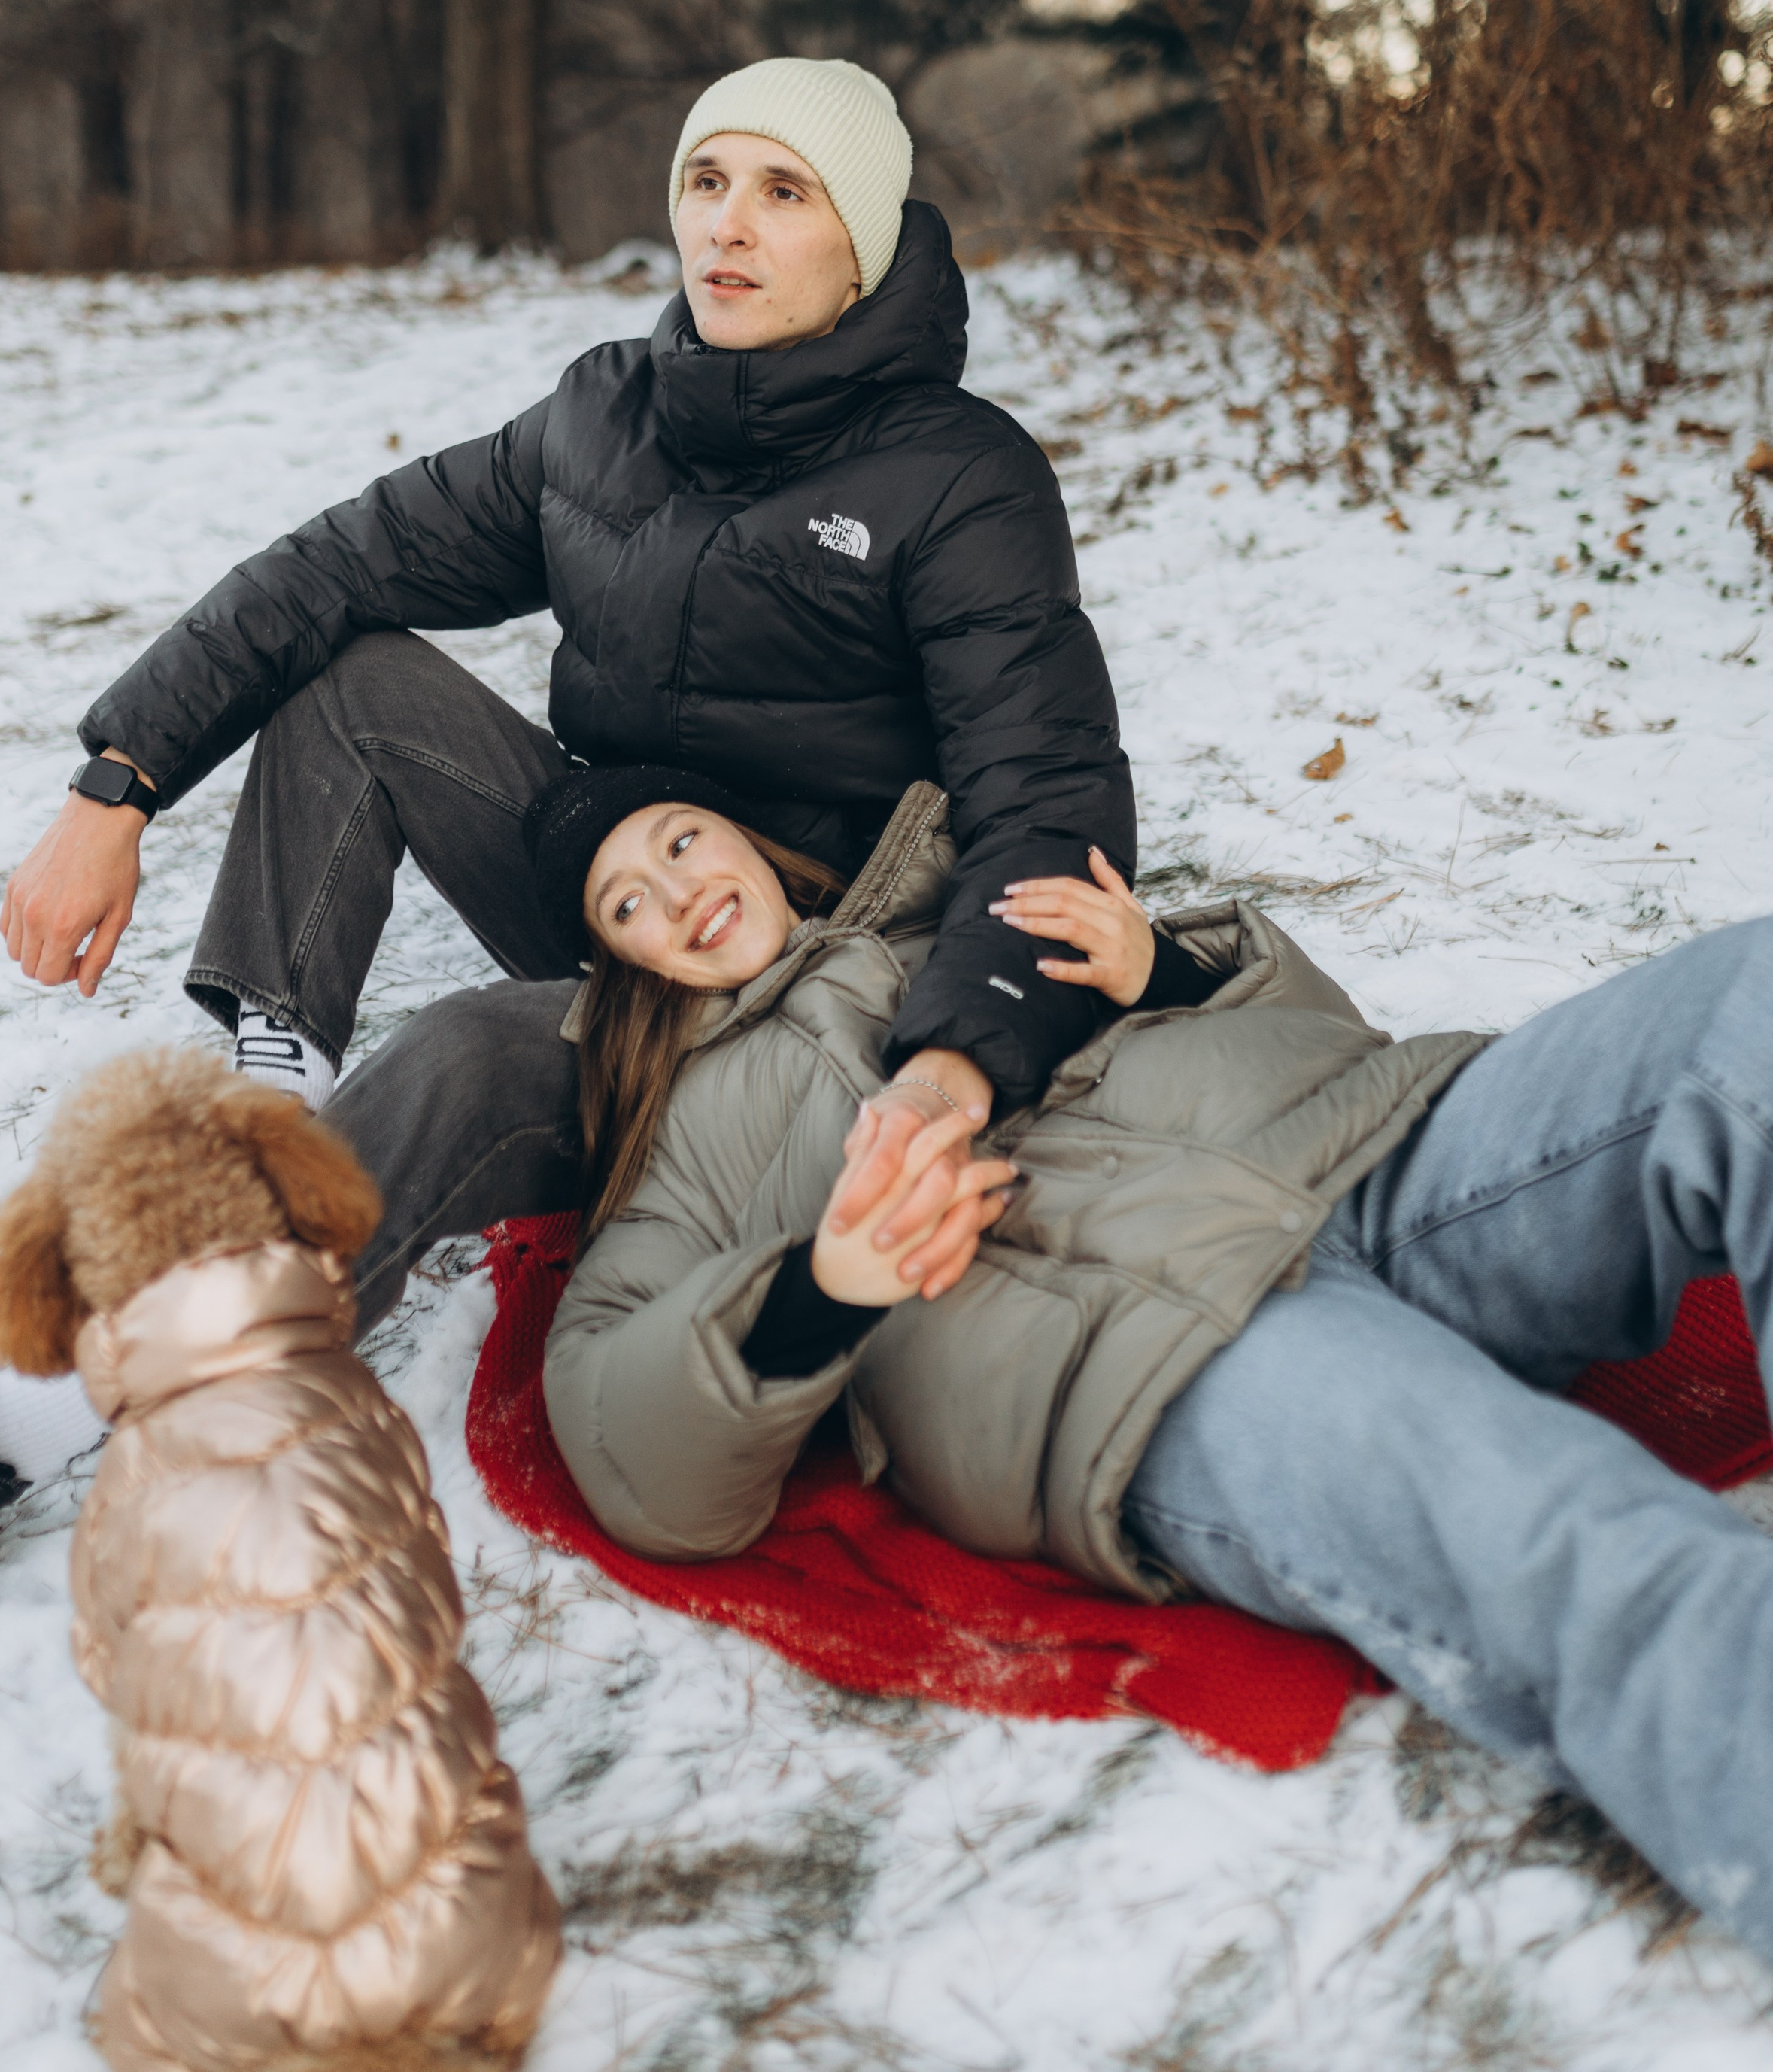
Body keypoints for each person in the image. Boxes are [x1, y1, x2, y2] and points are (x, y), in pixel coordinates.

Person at [0, 54, 1164, 1624]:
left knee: (469, 1059)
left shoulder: (957, 477)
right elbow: (338, 564)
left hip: (783, 977)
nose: (726, 227)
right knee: (354, 682)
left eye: (782, 191)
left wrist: (960, 1050)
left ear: (862, 241)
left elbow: (1045, 787)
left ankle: (23, 1419)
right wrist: (115, 779)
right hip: (614, 885)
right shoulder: (607, 416)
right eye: (704, 180)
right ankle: (284, 1116)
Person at [539, 768, 1773, 1957]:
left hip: (1369, 1151)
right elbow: (628, 1444)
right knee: (1560, 1527)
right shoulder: (678, 1140)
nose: (676, 890)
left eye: (679, 839)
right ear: (621, 961)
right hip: (1151, 1349)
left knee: (1748, 1010)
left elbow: (1320, 1030)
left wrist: (1161, 967)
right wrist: (827, 1285)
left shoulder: (959, 906)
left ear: (743, 835)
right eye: (627, 903)